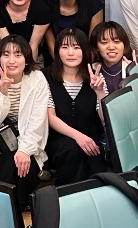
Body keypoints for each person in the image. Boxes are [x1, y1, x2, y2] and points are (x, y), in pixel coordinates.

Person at [0, 35, 49, 208]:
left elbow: (38, 121)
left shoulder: (37, 78)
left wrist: (24, 150)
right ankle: (9, 209)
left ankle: (18, 207)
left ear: (26, 59)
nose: (11, 60)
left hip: (27, 140)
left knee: (24, 167)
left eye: (18, 54)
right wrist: (3, 91)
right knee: (7, 167)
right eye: (6, 54)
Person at [45, 28, 107, 185]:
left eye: (76, 47)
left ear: (85, 50)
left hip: (90, 137)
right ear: (57, 51)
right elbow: (50, 117)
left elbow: (105, 119)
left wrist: (100, 92)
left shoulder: (96, 76)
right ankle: (67, 196)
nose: (70, 53)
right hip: (58, 138)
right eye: (65, 47)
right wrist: (78, 137)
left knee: (96, 170)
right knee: (72, 151)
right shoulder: (45, 76)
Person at [89, 22, 138, 124]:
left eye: (116, 41)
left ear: (124, 45)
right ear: (96, 47)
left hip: (137, 127)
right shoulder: (91, 72)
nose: (111, 47)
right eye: (104, 42)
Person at [42, 0, 104, 66]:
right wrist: (64, 68)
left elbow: (93, 44)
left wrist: (83, 67)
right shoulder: (44, 5)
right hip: (55, 63)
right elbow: (51, 44)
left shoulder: (94, 5)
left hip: (86, 62)